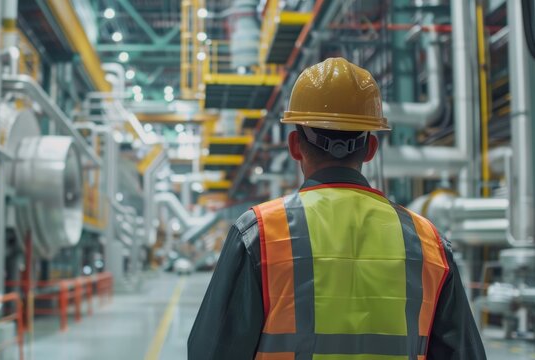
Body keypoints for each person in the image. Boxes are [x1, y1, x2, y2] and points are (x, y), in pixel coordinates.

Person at [188, 58, 486, 360]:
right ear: (370, 149)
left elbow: (210, 353)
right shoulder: (429, 243)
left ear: (294, 145)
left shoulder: (259, 234)